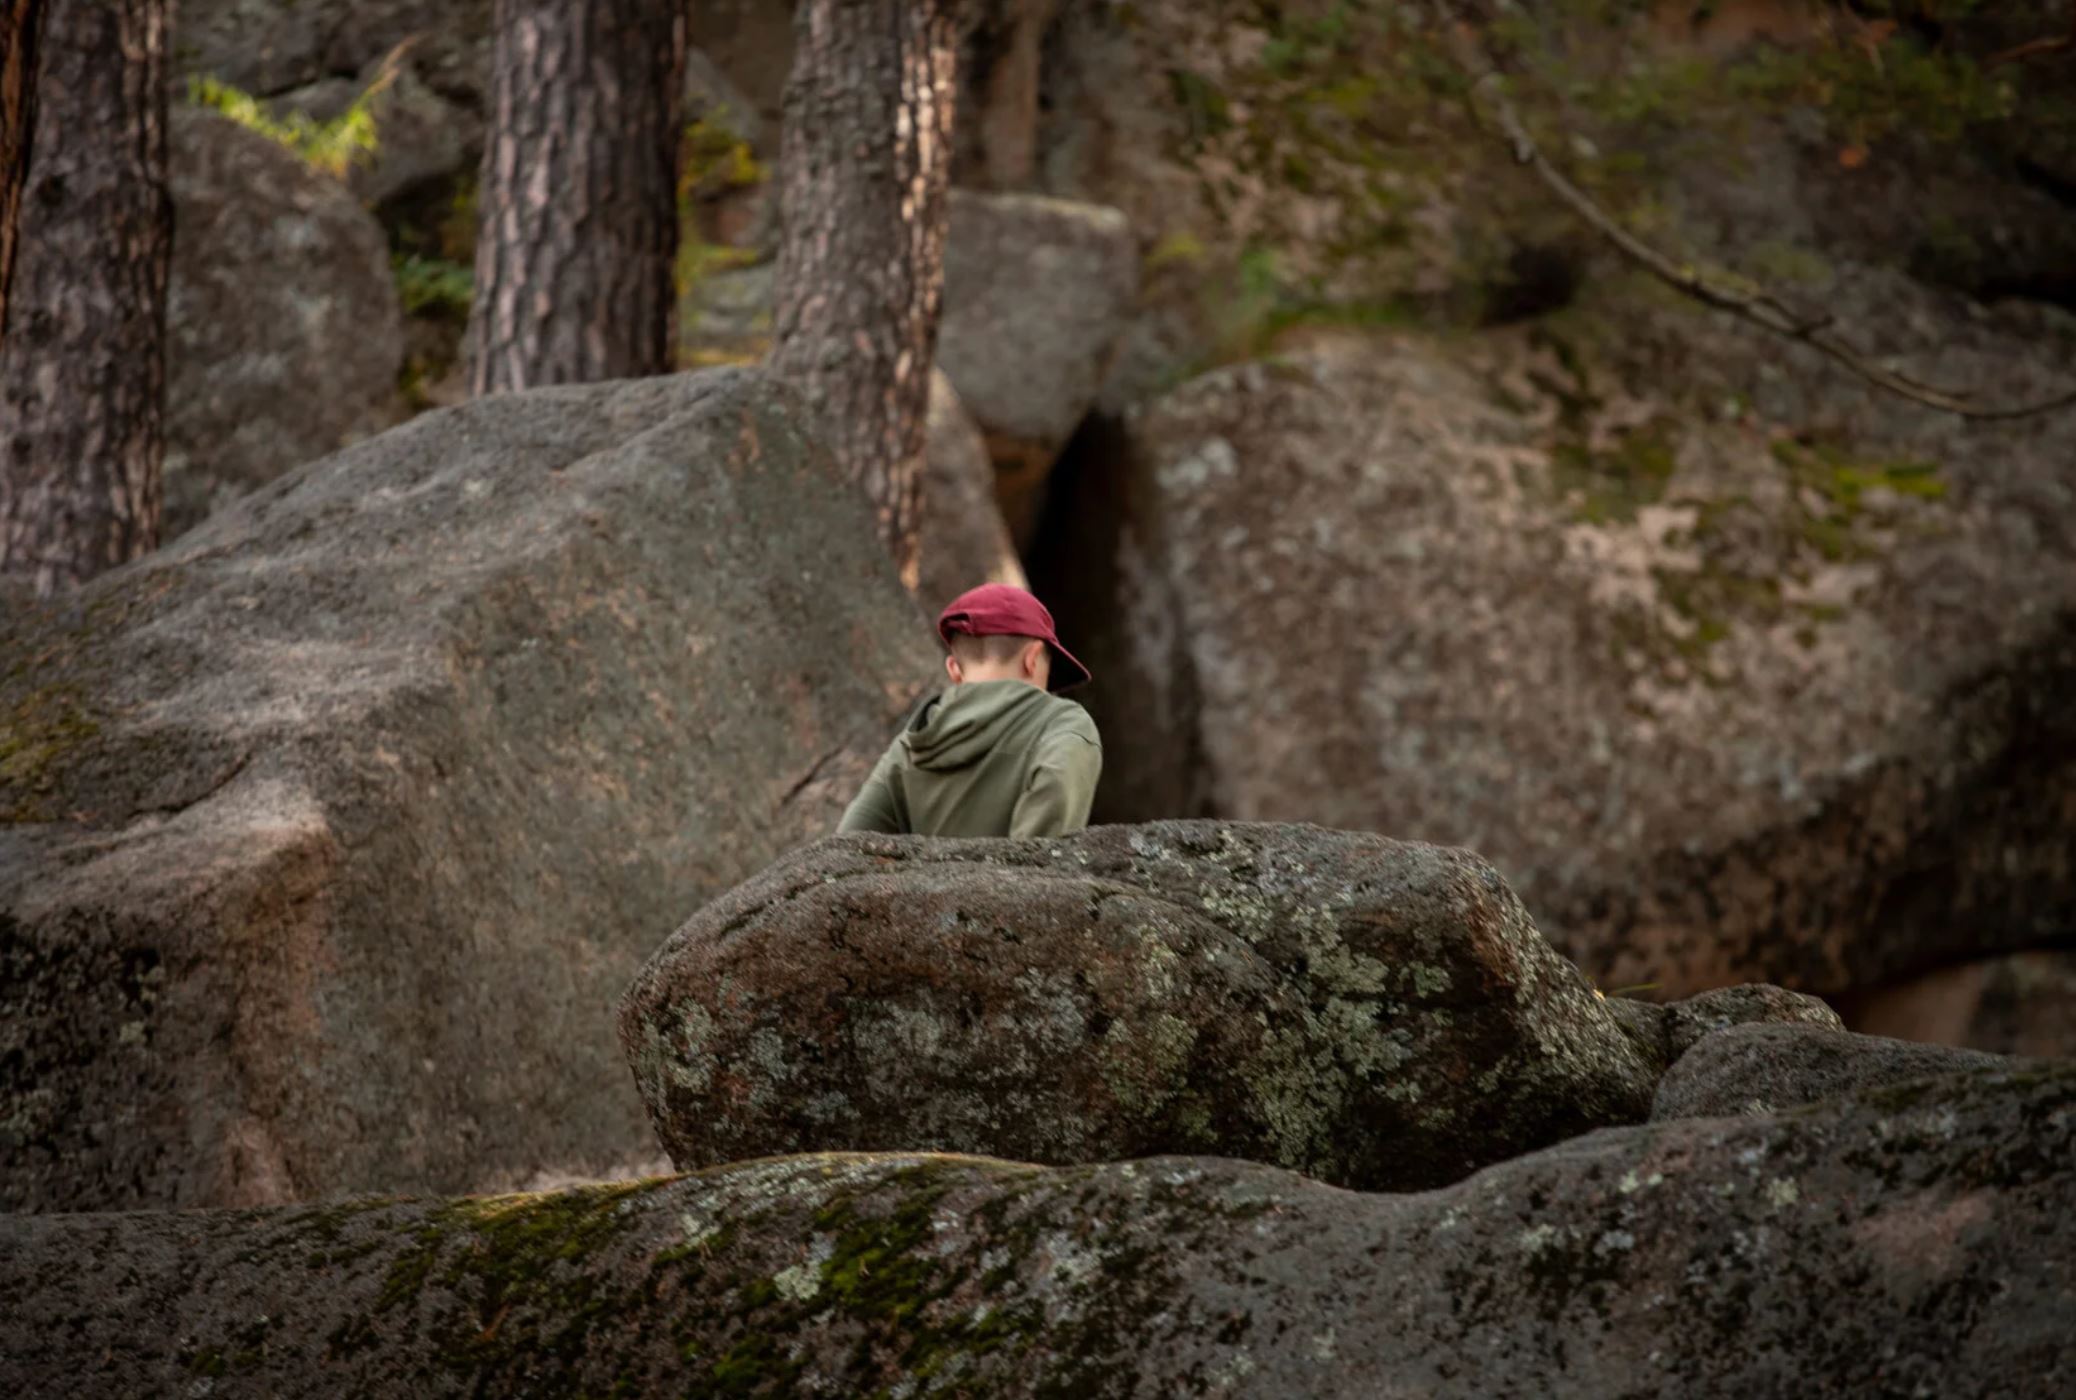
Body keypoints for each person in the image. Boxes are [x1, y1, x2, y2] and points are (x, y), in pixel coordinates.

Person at [839, 583, 1102, 838]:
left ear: (954, 669)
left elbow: (849, 843)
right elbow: (1056, 789)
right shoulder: (1061, 723)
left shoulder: (913, 742)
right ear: (1032, 659)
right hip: (1022, 883)